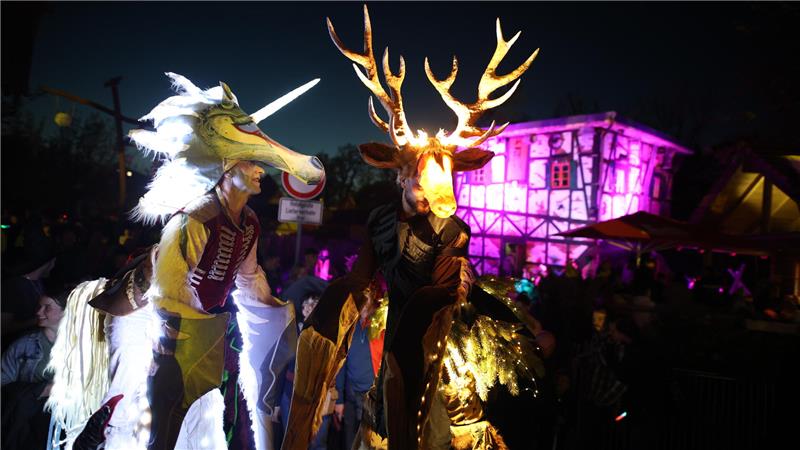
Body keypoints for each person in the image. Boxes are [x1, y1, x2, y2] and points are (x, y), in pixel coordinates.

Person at [49, 73, 323, 450]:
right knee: (135, 411)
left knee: (202, 421)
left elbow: (249, 280)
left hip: (196, 329)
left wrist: (275, 313)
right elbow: (170, 291)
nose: (261, 169)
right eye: (250, 161)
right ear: (226, 169)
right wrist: (182, 338)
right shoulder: (195, 218)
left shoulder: (249, 223)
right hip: (149, 319)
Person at [1, 283, 67, 450]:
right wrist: (40, 390)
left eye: (47, 308)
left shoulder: (83, 348)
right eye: (39, 307)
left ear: (66, 311)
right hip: (27, 428)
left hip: (64, 427)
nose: (38, 312)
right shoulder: (24, 346)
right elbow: (3, 383)